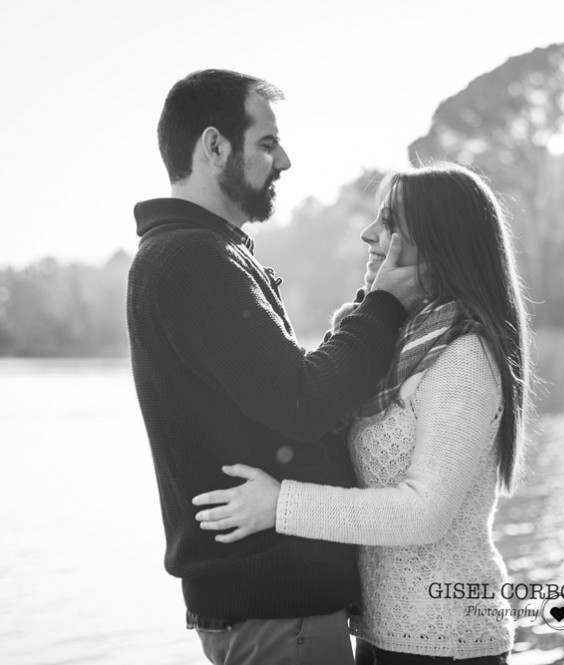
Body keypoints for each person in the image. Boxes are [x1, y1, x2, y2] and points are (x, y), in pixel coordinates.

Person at [127, 69, 423, 665]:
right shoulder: (192, 259)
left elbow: (281, 392)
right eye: (266, 142)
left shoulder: (197, 252)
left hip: (268, 611)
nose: (283, 159)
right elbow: (303, 401)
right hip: (276, 616)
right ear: (214, 146)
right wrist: (387, 304)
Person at [192, 162, 532, 664]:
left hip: (448, 640)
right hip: (378, 632)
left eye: (390, 223)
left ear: (440, 243)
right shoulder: (389, 337)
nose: (369, 234)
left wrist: (279, 504)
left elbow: (424, 514)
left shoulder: (463, 356)